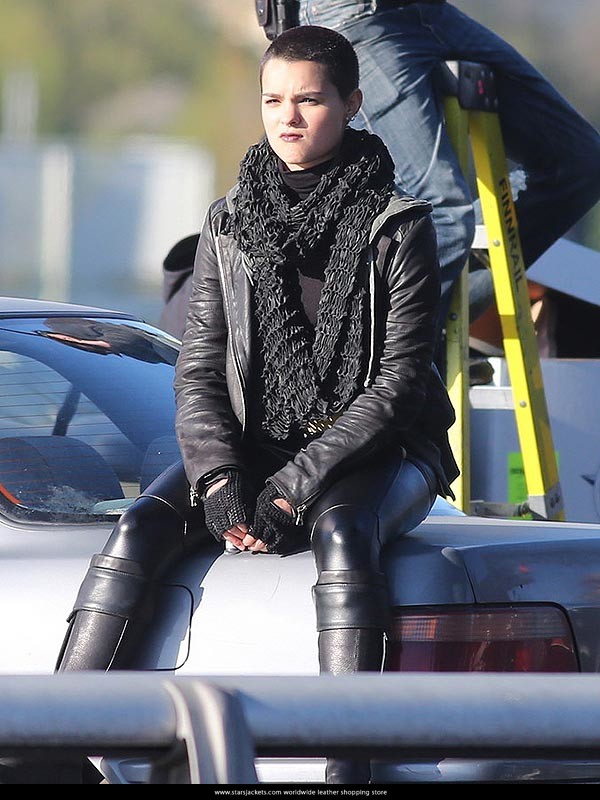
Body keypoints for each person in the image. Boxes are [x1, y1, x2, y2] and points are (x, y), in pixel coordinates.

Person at [55, 24, 459, 784]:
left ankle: (348, 766)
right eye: (274, 100)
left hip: (379, 446)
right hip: (253, 441)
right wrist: (217, 480)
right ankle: (53, 748)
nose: (288, 118)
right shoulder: (229, 220)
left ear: (352, 104)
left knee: (343, 534)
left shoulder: (399, 225)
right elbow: (200, 368)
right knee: (139, 526)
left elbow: (399, 387)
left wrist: (289, 492)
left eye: (309, 100)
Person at [260, 1, 600, 327]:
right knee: (445, 216)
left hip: (429, 12)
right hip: (353, 15)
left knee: (581, 163)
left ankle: (426, 325)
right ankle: (378, 349)